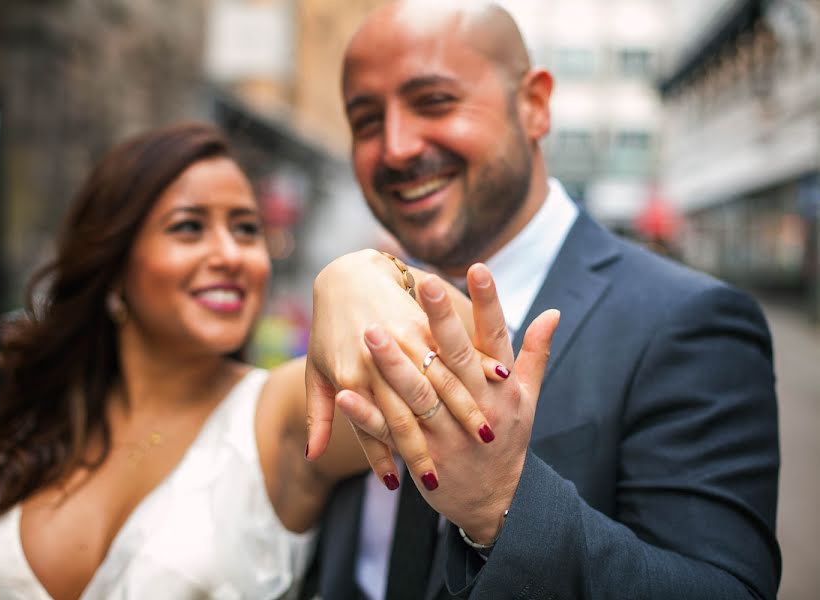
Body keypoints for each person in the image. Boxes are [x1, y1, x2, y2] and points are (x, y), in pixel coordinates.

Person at [302, 2, 781, 599]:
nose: (396, 147)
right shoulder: (360, 309)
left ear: (534, 105)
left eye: (434, 102)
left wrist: (500, 504)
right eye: (366, 120)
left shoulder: (689, 322)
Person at [0, 122, 553, 599]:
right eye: (189, 227)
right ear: (113, 270)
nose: (230, 255)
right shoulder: (48, 413)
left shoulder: (279, 413)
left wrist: (363, 273)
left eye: (246, 230)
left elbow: (470, 352)